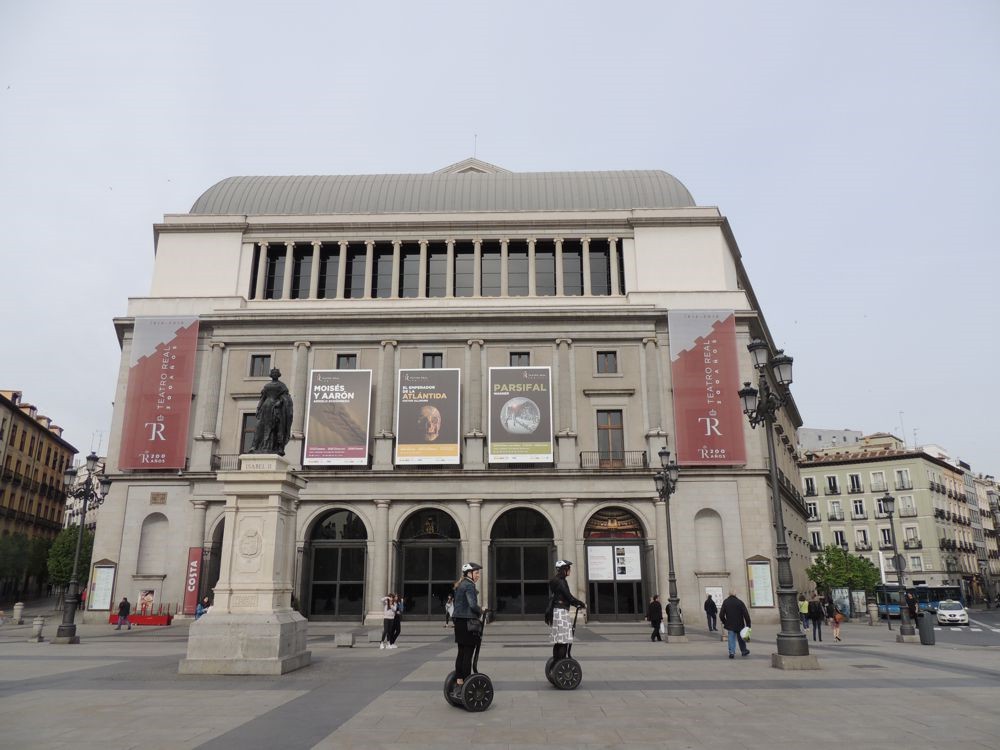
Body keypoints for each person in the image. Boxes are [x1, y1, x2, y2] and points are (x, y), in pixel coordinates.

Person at [451, 562, 484, 698]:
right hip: (468, 623)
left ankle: (459, 682)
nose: (478, 576)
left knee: (461, 652)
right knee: (468, 654)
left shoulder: (460, 585)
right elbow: (472, 605)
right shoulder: (469, 585)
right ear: (469, 573)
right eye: (476, 573)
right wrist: (481, 610)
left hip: (459, 622)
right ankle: (466, 683)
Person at [548, 560, 586, 664]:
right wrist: (580, 603)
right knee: (564, 640)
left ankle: (557, 661)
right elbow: (568, 597)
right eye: (568, 568)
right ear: (564, 570)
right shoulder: (561, 582)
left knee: (559, 640)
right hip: (561, 612)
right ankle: (561, 661)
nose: (570, 570)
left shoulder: (556, 580)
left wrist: (576, 603)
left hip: (557, 610)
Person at [250, 368, 293, 455]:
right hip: (265, 407)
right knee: (260, 426)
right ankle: (255, 446)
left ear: (278, 375)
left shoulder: (282, 386)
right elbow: (262, 398)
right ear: (271, 375)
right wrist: (258, 408)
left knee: (278, 427)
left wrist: (280, 402)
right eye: (273, 373)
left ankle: (278, 447)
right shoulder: (267, 386)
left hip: (276, 408)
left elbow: (286, 398)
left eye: (276, 373)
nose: (274, 374)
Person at [719, 589, 750, 658]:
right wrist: (748, 624)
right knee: (741, 638)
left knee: (731, 638)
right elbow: (746, 614)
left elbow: (721, 614)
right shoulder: (740, 602)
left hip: (730, 624)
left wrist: (725, 622)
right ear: (735, 594)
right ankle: (744, 651)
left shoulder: (726, 602)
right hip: (740, 624)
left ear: (729, 594)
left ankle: (731, 652)